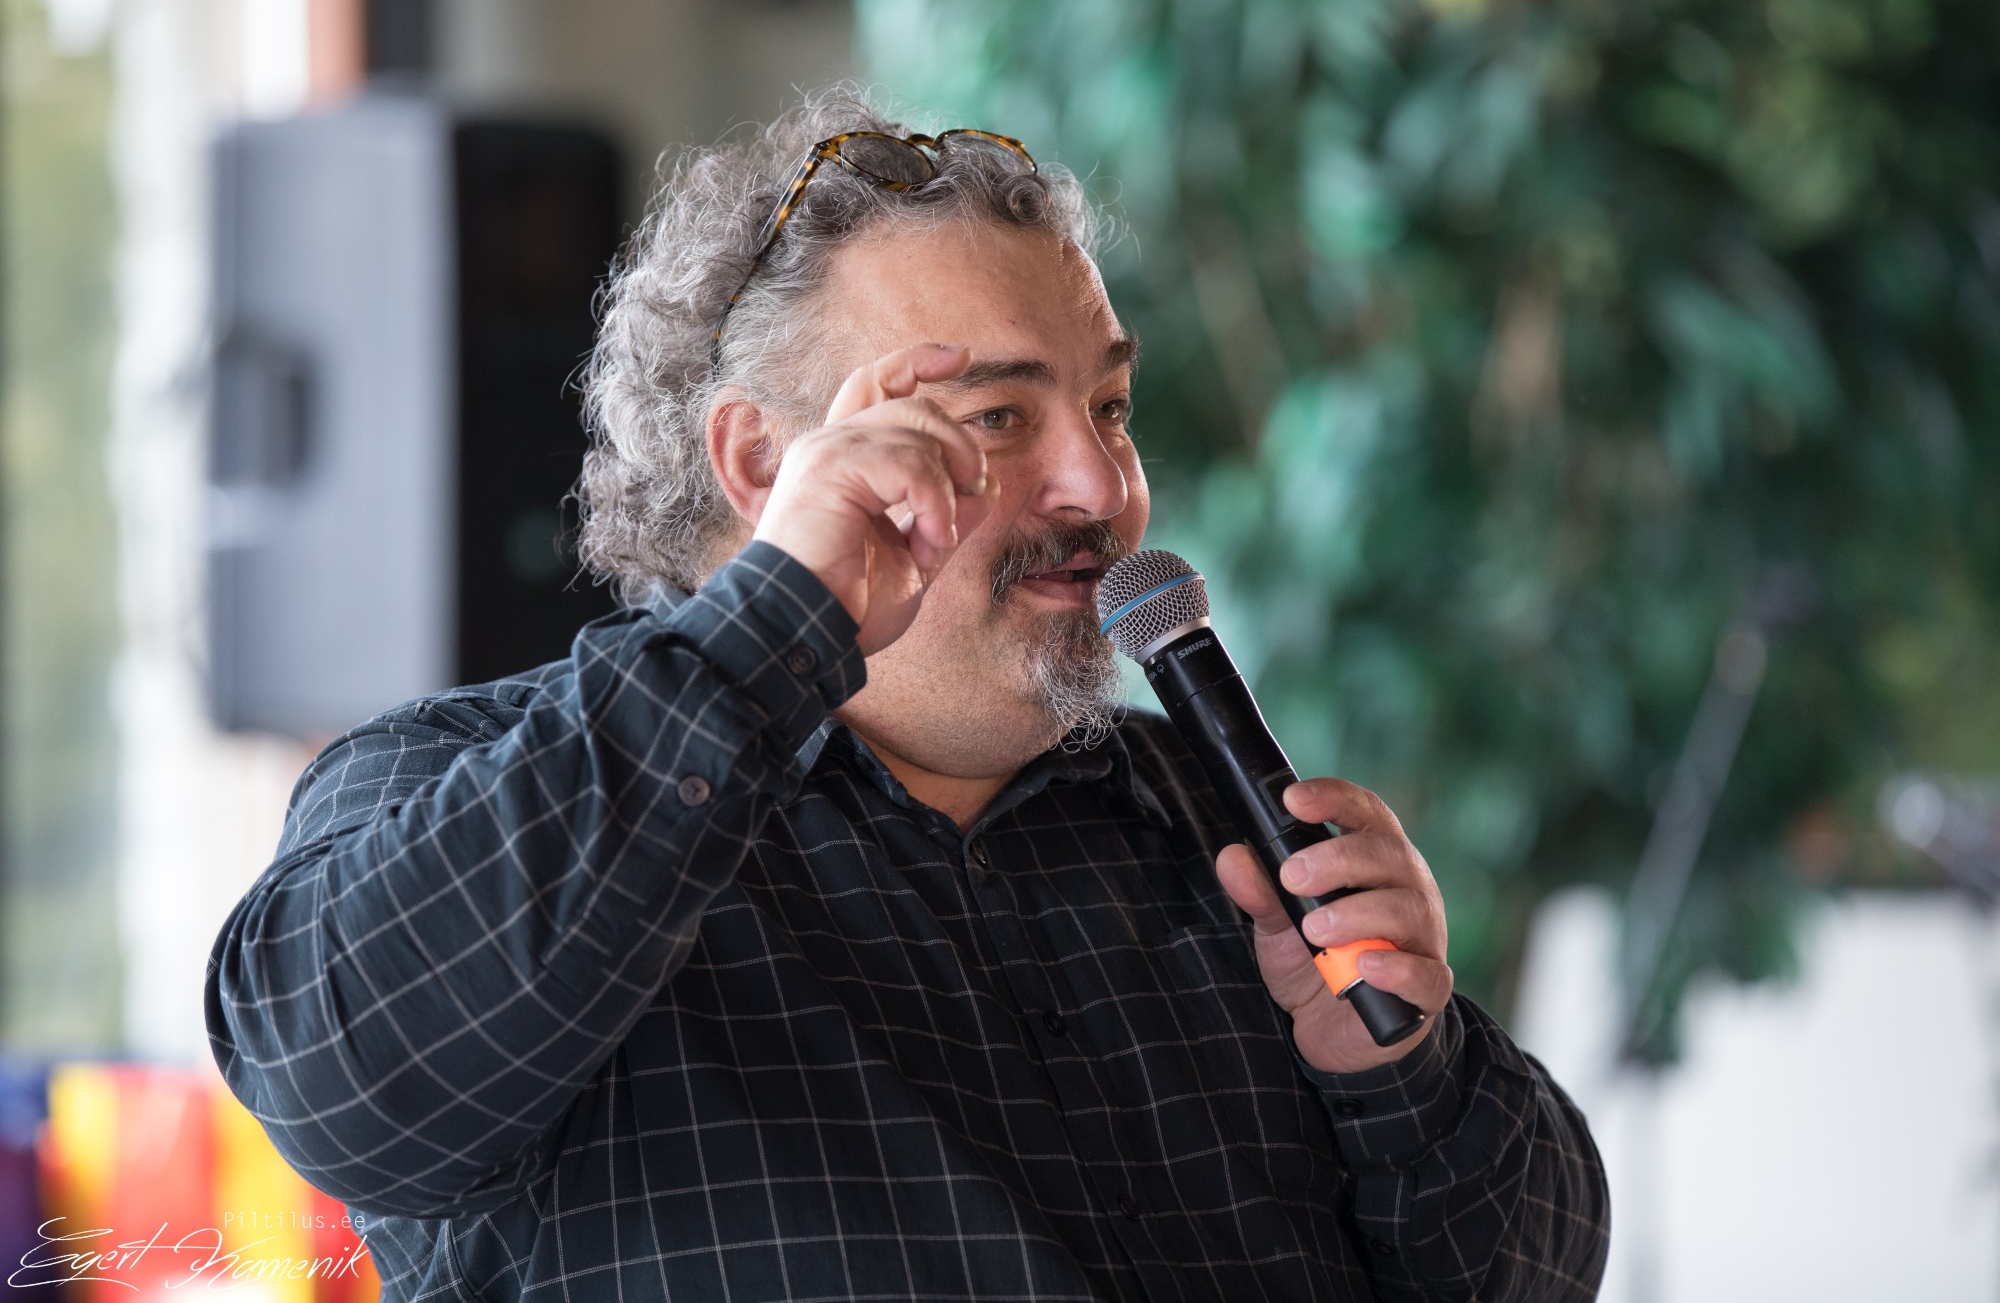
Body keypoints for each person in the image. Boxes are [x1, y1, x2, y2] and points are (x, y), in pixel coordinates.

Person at [206, 84, 1609, 1302]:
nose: (1100, 486)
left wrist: (1403, 1074)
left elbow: (1531, 1270)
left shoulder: (1220, 820)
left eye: (1109, 409)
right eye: (997, 417)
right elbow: (343, 1089)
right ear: (762, 466)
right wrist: (774, 626)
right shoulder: (454, 779)